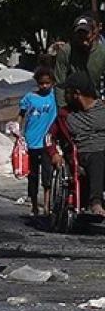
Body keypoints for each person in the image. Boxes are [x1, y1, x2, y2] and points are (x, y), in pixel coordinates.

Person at [62, 71, 105, 217]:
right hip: (85, 153)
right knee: (98, 157)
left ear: (76, 93)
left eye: (67, 92)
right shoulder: (66, 115)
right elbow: (50, 136)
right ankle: (96, 202)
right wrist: (54, 154)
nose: (64, 96)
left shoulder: (102, 109)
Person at [19, 68, 58, 216]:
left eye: (47, 83)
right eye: (41, 83)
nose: (44, 86)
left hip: (47, 143)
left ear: (52, 83)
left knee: (47, 176)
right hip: (31, 141)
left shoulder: (55, 97)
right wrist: (18, 132)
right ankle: (34, 205)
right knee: (33, 175)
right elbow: (21, 115)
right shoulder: (29, 97)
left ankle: (47, 206)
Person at [54, 13, 105, 107]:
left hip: (95, 104)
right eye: (80, 38)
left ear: (94, 33)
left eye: (87, 37)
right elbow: (60, 85)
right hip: (72, 105)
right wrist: (62, 109)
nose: (84, 42)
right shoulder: (66, 52)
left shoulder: (102, 52)